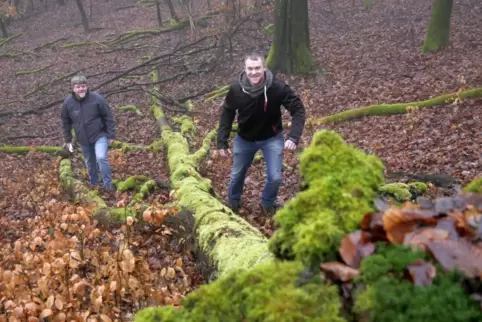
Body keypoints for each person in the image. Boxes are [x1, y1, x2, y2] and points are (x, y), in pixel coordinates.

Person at [216, 52, 306, 215]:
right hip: (245, 139)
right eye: (250, 68)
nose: (254, 72)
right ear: (245, 69)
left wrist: (294, 136)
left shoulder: (277, 87)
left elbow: (298, 109)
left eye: (257, 68)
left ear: (264, 68)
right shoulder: (236, 88)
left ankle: (267, 203)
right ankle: (233, 202)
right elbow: (227, 112)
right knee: (237, 174)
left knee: (275, 177)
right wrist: (222, 140)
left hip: (272, 138)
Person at [60, 74, 117, 191]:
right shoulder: (68, 103)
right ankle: (94, 184)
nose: (81, 89)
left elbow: (108, 117)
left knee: (101, 157)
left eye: (83, 86)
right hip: (83, 139)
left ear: (87, 86)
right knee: (90, 163)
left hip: (99, 135)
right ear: (72, 88)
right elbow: (66, 123)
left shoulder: (97, 99)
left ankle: (108, 185)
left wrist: (111, 135)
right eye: (77, 87)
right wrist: (68, 140)